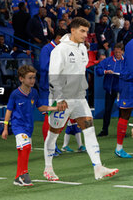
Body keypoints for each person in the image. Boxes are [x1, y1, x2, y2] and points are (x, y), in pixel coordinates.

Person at [44, 17, 118, 181]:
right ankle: (48, 168)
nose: (86, 35)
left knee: (90, 130)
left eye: (87, 31)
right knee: (54, 133)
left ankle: (98, 167)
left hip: (79, 98)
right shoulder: (60, 50)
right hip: (62, 99)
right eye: (82, 31)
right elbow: (53, 76)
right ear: (73, 30)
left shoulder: (83, 49)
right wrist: (60, 98)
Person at [1, 65, 59, 186]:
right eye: (30, 78)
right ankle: (24, 174)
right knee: (26, 148)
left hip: (29, 127)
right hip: (18, 126)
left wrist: (55, 108)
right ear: (21, 79)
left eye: (34, 77)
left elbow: (40, 107)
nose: (33, 80)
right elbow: (9, 110)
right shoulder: (15, 94)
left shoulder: (34, 92)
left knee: (23, 151)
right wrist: (5, 128)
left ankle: (17, 178)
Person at [39, 29, 68, 143]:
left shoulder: (62, 50)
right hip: (47, 87)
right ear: (59, 38)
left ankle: (52, 143)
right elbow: (43, 67)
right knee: (49, 116)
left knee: (58, 116)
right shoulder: (47, 49)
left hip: (59, 88)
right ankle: (49, 146)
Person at [96, 43, 125, 137]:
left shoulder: (127, 62)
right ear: (113, 51)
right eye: (116, 52)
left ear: (123, 52)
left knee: (123, 111)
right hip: (110, 89)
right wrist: (105, 71)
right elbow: (98, 70)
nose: (117, 54)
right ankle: (105, 130)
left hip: (123, 90)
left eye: (119, 52)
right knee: (107, 110)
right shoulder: (107, 60)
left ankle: (122, 131)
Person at [116, 39, 133, 158]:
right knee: (125, 114)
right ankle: (119, 148)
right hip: (129, 83)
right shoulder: (131, 44)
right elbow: (131, 68)